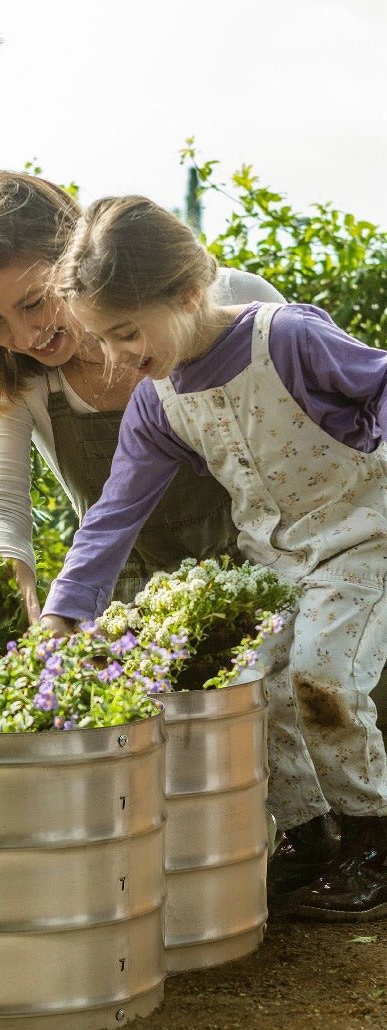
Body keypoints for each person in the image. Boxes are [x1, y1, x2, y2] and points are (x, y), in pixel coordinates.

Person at [39, 194, 387, 922]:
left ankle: (373, 840)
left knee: (322, 677)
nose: (120, 357)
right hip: (280, 563)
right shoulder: (157, 403)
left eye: (128, 331)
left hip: (365, 537)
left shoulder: (285, 337)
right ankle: (311, 839)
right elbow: (114, 512)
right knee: (251, 686)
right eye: (104, 340)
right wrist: (66, 610)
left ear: (190, 292)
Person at [0, 171, 285, 623]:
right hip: (134, 609)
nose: (22, 336)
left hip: (280, 564)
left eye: (34, 302)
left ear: (77, 261)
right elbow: (0, 504)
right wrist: (24, 611)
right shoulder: (11, 376)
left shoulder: (228, 304)